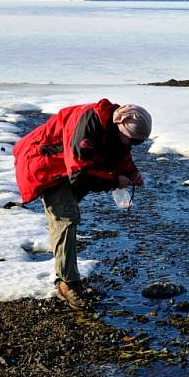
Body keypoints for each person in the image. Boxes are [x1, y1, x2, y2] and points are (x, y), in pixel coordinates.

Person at [13, 99, 151, 309]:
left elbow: (118, 154)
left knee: (65, 216)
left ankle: (65, 272)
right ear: (121, 127)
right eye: (133, 141)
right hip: (44, 165)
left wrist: (130, 172)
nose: (134, 146)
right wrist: (114, 180)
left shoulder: (114, 129)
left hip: (65, 167)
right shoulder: (89, 125)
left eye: (139, 143)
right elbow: (79, 175)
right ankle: (67, 284)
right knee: (65, 219)